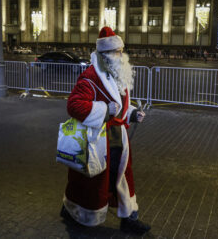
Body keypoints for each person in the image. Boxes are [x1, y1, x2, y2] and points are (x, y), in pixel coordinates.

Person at [61, 26, 151, 235]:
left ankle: (129, 217)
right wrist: (103, 110)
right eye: (117, 52)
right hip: (97, 140)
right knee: (89, 183)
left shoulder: (118, 75)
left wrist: (132, 113)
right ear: (105, 55)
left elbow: (120, 106)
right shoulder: (90, 76)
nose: (121, 56)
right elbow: (74, 105)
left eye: (122, 51)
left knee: (123, 178)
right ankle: (72, 210)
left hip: (118, 138)